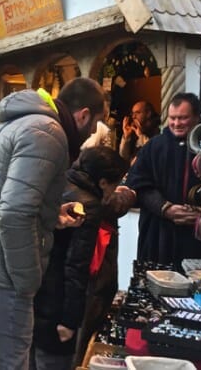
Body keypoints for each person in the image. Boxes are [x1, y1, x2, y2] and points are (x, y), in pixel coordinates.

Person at [0, 77, 106, 369]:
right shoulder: (47, 131)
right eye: (97, 123)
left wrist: (51, 215)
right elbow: (12, 214)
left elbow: (3, 200)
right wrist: (28, 282)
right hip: (1, 279)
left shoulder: (20, 122)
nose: (92, 135)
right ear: (84, 115)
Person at [126, 93, 201, 269]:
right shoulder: (154, 147)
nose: (176, 124)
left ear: (197, 117)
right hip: (162, 240)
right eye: (172, 118)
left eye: (183, 118)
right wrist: (165, 208)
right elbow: (138, 186)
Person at [31, 147, 128, 370]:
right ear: (103, 182)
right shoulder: (90, 205)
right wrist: (70, 319)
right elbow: (77, 265)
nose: (115, 190)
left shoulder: (61, 184)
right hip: (57, 302)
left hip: (37, 290)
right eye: (116, 183)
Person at [119, 100, 160, 165]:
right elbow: (124, 156)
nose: (133, 117)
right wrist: (126, 137)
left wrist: (141, 136)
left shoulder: (159, 130)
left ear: (148, 114)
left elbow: (155, 154)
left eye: (137, 113)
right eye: (132, 113)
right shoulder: (135, 130)